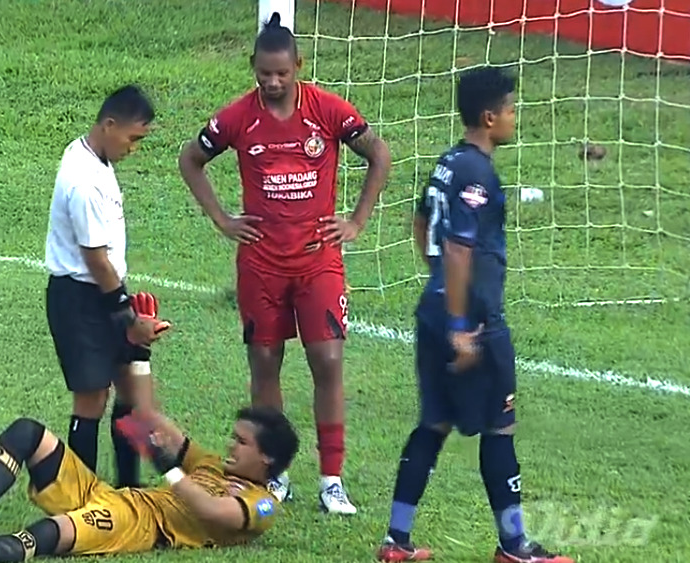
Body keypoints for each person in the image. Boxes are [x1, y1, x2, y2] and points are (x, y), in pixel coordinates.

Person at [177, 12, 392, 513]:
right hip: (261, 264)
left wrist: (356, 221)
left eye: (281, 73)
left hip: (318, 261)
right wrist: (222, 219)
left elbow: (379, 154)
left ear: (299, 65)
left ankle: (332, 480)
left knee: (329, 360)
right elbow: (190, 159)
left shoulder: (328, 110)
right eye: (264, 73)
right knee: (265, 362)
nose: (272, 82)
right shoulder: (237, 117)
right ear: (252, 67)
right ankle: (275, 475)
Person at [374, 67, 574, 563]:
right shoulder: (477, 173)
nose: (513, 117)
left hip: (433, 310)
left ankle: (397, 540)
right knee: (499, 429)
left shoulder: (448, 162)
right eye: (510, 110)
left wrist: (440, 284)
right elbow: (459, 248)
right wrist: (462, 324)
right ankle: (515, 546)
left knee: (433, 424)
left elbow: (421, 223)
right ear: (489, 117)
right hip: (476, 322)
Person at [0, 365, 301, 562]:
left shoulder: (264, 504)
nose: (230, 445)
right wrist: (139, 356)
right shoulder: (212, 464)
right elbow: (148, 419)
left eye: (241, 442)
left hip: (138, 524)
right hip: (111, 496)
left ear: (267, 457)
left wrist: (170, 468)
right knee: (26, 433)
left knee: (47, 534)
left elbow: (212, 510)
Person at [44, 84, 170, 489]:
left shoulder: (91, 155)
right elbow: (95, 259)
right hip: (80, 299)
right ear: (109, 125)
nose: (133, 148)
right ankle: (82, 496)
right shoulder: (84, 182)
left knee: (130, 390)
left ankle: (129, 490)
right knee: (92, 399)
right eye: (132, 138)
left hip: (103, 291)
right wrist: (128, 316)